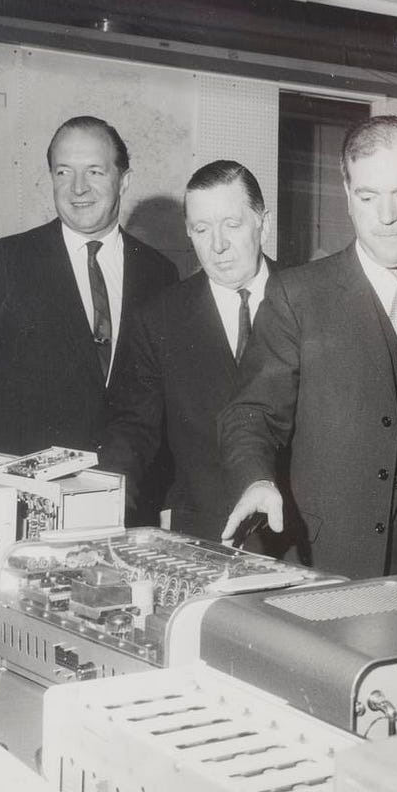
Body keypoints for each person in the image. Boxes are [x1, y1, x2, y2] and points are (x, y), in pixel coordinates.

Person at [218, 115, 397, 579]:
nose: (386, 216)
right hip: (337, 553)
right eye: (369, 197)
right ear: (348, 196)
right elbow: (250, 413)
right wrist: (256, 478)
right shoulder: (298, 295)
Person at [0, 115, 177, 456]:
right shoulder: (1, 263)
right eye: (63, 172)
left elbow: (163, 407)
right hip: (28, 493)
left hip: (128, 492)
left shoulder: (160, 273)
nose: (78, 188)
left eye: (95, 171)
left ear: (124, 181)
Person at [98, 160, 280, 542]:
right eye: (201, 229)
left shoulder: (308, 299)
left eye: (232, 225)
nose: (217, 246)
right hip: (202, 534)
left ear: (264, 222)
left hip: (293, 533)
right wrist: (101, 504)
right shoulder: (159, 317)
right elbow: (133, 430)